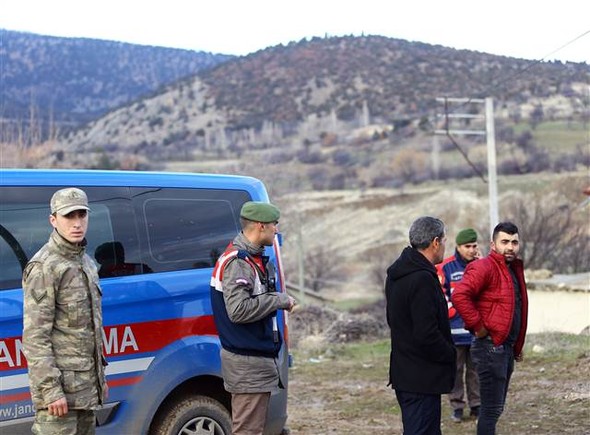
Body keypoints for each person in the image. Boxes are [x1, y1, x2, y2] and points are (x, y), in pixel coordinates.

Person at [22, 187, 107, 435]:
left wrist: (100, 382)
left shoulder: (86, 263)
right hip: (59, 399)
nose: (77, 223)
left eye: (82, 215)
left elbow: (91, 329)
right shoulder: (45, 267)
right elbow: (35, 337)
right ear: (53, 220)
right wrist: (50, 391)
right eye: (69, 216)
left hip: (86, 391)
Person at [210, 201, 295, 435]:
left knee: (253, 428)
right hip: (246, 363)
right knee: (248, 430)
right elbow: (238, 310)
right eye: (273, 225)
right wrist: (279, 300)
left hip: (253, 360)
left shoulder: (253, 259)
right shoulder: (238, 263)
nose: (276, 230)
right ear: (260, 226)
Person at [452, 221, 528, 435]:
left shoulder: (512, 269)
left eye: (514, 242)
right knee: (491, 409)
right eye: (504, 242)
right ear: (493, 244)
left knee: (495, 408)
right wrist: (478, 327)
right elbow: (460, 295)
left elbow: (514, 308)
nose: (510, 247)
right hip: (489, 347)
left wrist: (517, 343)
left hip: (505, 348)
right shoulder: (484, 266)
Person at [385, 216, 456, 435]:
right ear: (435, 242)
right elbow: (426, 333)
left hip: (406, 373)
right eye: (444, 240)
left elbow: (395, 321)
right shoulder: (421, 279)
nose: (445, 246)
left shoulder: (398, 273)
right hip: (421, 378)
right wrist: (449, 353)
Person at [436, 228, 481, 423]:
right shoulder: (446, 267)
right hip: (454, 332)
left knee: (476, 370)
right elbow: (441, 296)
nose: (471, 250)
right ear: (458, 247)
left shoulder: (481, 266)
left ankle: (476, 405)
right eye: (467, 246)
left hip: (477, 332)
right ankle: (457, 406)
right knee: (455, 370)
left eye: (474, 246)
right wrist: (456, 311)